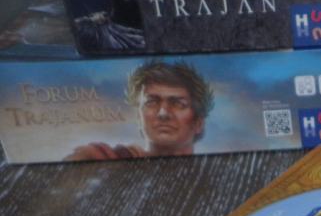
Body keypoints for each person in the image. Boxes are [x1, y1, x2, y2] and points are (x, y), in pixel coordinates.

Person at [66, 61, 214, 161]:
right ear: (139, 117)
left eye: (178, 104)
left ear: (199, 123)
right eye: (151, 102)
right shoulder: (104, 156)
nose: (163, 113)